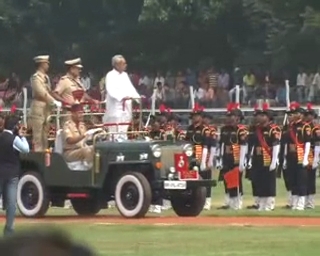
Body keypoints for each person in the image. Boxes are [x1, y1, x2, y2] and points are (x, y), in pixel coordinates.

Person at [0, 114, 30, 236]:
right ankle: (9, 230)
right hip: (12, 174)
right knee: (12, 203)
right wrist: (22, 137)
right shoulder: (14, 139)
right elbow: (26, 149)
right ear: (15, 127)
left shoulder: (1, 136)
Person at [251, 103, 281, 211]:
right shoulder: (257, 129)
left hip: (268, 158)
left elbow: (276, 144)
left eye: (263, 115)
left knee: (269, 182)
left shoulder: (274, 129)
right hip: (258, 158)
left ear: (269, 117)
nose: (260, 117)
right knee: (260, 181)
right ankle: (262, 204)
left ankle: (269, 203)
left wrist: (274, 161)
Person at [104, 55, 141, 141]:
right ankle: (114, 142)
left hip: (126, 107)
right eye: (123, 63)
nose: (126, 65)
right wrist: (123, 97)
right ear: (117, 65)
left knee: (124, 126)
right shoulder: (110, 75)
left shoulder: (125, 75)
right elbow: (111, 90)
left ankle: (123, 140)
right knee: (114, 128)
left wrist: (137, 98)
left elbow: (130, 88)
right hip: (115, 107)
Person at [28, 55, 62, 152]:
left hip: (46, 109)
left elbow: (49, 91)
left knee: (45, 136)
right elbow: (41, 92)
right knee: (37, 137)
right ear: (42, 64)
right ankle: (38, 157)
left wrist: (57, 100)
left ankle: (45, 155)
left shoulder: (46, 77)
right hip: (38, 107)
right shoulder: (35, 78)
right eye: (46, 63)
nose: (48, 65)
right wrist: (53, 101)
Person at [217, 103, 247, 210]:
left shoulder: (241, 129)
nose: (229, 118)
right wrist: (219, 159)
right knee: (227, 180)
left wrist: (242, 161)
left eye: (232, 116)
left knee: (236, 181)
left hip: (236, 158)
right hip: (226, 157)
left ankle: (238, 202)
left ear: (238, 118)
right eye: (228, 116)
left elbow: (243, 145)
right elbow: (221, 145)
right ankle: (229, 201)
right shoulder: (224, 129)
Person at [185, 103, 213, 210]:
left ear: (201, 117)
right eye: (193, 116)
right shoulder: (189, 128)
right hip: (191, 155)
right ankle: (194, 200)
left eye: (196, 116)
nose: (194, 118)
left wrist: (203, 161)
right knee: (192, 177)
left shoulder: (205, 129)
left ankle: (207, 201)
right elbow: (186, 143)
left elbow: (206, 145)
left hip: (203, 154)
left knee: (205, 178)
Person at [283, 102, 311, 210]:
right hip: (291, 156)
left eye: (293, 113)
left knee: (301, 181)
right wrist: (285, 158)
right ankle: (294, 202)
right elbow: (286, 143)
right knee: (292, 180)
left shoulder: (305, 127)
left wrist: (305, 158)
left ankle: (301, 203)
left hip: (300, 155)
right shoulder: (289, 127)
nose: (290, 116)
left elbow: (307, 143)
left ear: (299, 114)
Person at [303, 103, 320, 209]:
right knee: (303, 179)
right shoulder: (305, 127)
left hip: (312, 154)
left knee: (310, 179)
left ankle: (310, 202)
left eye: (309, 114)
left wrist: (316, 159)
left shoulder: (315, 128)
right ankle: (304, 200)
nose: (307, 116)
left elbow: (318, 144)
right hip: (304, 154)